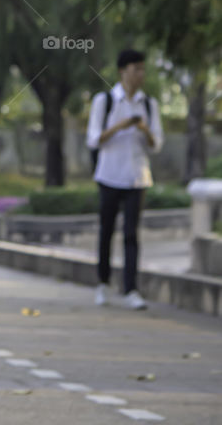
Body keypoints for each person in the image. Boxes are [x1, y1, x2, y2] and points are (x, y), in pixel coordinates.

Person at [86, 48, 164, 309]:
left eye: (143, 69)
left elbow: (157, 144)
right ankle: (103, 283)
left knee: (131, 234)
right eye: (136, 69)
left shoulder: (149, 104)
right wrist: (121, 126)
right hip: (109, 175)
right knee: (106, 231)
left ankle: (131, 289)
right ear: (123, 71)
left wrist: (143, 129)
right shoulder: (105, 101)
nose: (140, 74)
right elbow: (93, 139)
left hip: (137, 177)